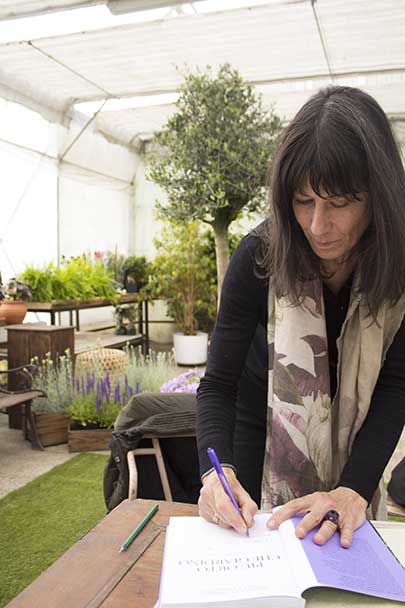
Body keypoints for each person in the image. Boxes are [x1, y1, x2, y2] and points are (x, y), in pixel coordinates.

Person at [196, 85, 405, 548]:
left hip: (358, 444)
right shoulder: (260, 254)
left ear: (379, 196)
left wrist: (355, 487)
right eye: (303, 200)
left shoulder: (399, 266)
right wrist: (216, 473)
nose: (316, 226)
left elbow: (396, 385)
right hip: (264, 435)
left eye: (340, 202)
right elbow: (218, 384)